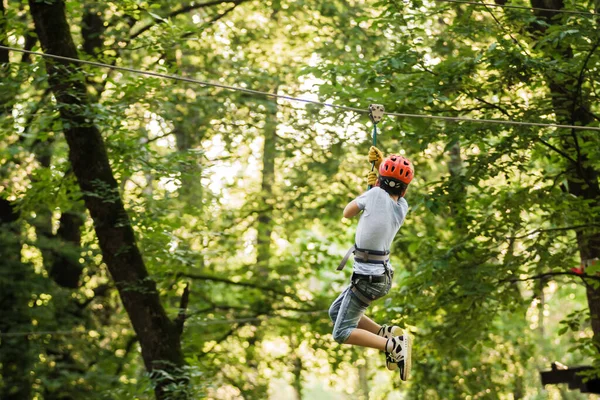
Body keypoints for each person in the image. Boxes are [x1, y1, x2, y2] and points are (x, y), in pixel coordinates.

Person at [328, 145, 414, 381]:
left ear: (381, 181)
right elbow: (391, 191)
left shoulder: (375, 194)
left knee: (342, 333)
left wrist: (373, 186)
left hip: (367, 278)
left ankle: (393, 346)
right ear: (404, 189)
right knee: (335, 312)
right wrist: (380, 169)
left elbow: (347, 212)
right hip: (380, 277)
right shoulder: (402, 208)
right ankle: (382, 332)